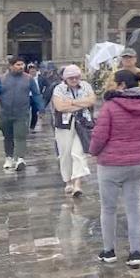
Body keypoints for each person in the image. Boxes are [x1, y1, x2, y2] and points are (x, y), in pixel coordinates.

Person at [89, 69, 140, 269]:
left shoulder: (110, 107)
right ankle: (135, 252)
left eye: (113, 82)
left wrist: (93, 151)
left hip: (110, 165)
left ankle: (109, 251)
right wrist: (138, 149)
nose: (111, 86)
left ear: (121, 85)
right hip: (136, 165)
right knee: (134, 208)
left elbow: (100, 136)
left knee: (108, 209)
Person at [0, 56, 45, 171]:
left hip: (22, 113)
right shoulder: (1, 79)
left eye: (22, 64)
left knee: (20, 135)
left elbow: (36, 94)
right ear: (11, 66)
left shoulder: (29, 79)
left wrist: (41, 108)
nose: (21, 67)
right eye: (18, 65)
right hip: (5, 113)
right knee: (8, 136)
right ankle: (9, 157)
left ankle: (20, 158)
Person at [51, 64, 96, 197]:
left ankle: (77, 183)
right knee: (65, 154)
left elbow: (92, 100)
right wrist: (81, 103)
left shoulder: (86, 86)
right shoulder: (59, 89)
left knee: (78, 153)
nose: (74, 80)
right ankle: (68, 181)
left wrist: (71, 102)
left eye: (76, 77)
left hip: (83, 123)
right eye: (71, 78)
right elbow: (59, 107)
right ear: (65, 79)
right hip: (64, 125)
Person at [27, 63, 46, 131]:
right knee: (26, 112)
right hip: (28, 96)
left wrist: (43, 93)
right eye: (30, 71)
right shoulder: (26, 78)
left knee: (34, 112)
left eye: (33, 70)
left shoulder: (41, 78)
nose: (32, 72)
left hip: (36, 97)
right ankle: (26, 126)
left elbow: (46, 85)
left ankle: (32, 126)